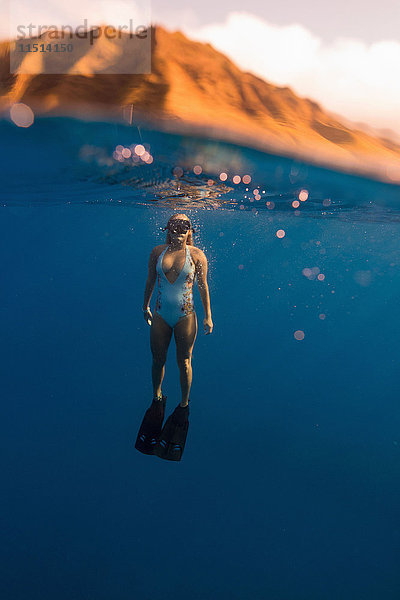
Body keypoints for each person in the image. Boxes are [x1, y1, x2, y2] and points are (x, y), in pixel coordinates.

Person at [135, 213, 213, 460]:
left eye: (185, 225)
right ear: (167, 229)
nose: (179, 229)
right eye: (175, 225)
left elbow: (203, 285)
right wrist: (144, 305)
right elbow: (150, 278)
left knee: (184, 361)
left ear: (190, 230)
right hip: (159, 314)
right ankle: (157, 396)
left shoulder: (198, 255)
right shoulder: (157, 251)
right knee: (157, 360)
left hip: (185, 316)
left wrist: (208, 315)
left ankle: (184, 403)